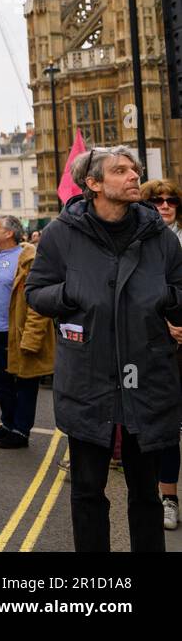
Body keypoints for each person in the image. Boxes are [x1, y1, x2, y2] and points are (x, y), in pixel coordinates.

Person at [27, 146, 182, 552]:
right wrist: (71, 292)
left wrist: (163, 297)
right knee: (87, 490)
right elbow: (36, 293)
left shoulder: (159, 235)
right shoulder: (62, 234)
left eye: (134, 169)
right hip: (88, 378)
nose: (133, 175)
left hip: (145, 377)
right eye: (120, 170)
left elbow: (180, 290)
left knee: (145, 493)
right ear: (93, 184)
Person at [0, 215, 53, 450]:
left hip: (18, 333)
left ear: (9, 233)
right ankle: (8, 424)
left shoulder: (29, 259)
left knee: (26, 383)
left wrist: (33, 336)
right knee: (1, 381)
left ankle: (21, 430)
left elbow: (39, 302)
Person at [140, 178, 182, 528]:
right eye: (156, 201)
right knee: (165, 431)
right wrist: (162, 325)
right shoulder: (139, 245)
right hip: (157, 349)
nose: (165, 206)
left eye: (170, 201)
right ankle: (169, 498)